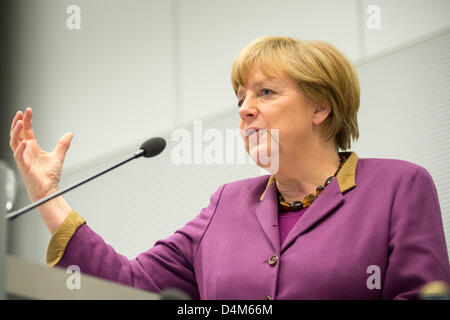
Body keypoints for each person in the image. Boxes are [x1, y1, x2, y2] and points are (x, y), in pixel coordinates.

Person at [8, 36, 450, 299]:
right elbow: (130, 285)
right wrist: (48, 196)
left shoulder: (398, 187)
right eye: (240, 98)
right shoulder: (226, 205)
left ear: (321, 107)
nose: (245, 110)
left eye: (265, 93)